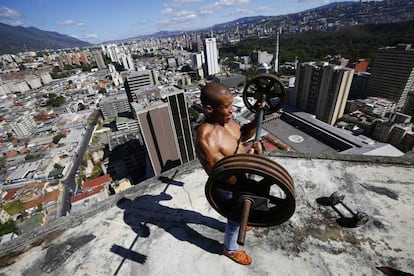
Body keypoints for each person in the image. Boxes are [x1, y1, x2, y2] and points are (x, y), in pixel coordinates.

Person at [195, 82, 262, 265]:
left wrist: (257, 118)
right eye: (226, 107)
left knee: (240, 215)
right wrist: (252, 159)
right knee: (234, 218)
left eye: (231, 105)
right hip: (230, 186)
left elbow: (243, 135)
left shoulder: (228, 122)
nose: (232, 111)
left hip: (243, 176)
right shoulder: (206, 138)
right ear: (209, 109)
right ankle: (230, 249)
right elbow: (222, 175)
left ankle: (242, 219)